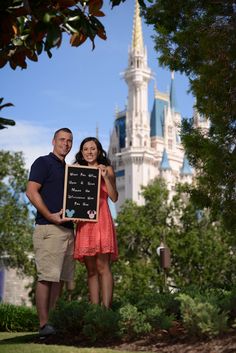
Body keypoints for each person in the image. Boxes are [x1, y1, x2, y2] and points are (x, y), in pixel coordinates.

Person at [26, 128, 75, 337]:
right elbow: (31, 191)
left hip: (68, 231)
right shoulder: (42, 162)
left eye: (69, 141)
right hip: (49, 228)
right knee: (47, 277)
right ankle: (43, 325)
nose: (66, 143)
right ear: (53, 141)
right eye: (62, 139)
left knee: (60, 279)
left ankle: (52, 323)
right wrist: (51, 215)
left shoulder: (70, 170)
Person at [74, 137, 118, 308]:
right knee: (91, 270)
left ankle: (106, 310)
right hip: (85, 223)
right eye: (86, 149)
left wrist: (105, 177)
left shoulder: (107, 169)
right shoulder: (76, 170)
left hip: (102, 220)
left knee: (103, 267)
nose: (89, 152)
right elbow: (72, 199)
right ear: (82, 152)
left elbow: (114, 197)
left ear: (99, 151)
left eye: (93, 149)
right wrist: (73, 214)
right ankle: (94, 311)